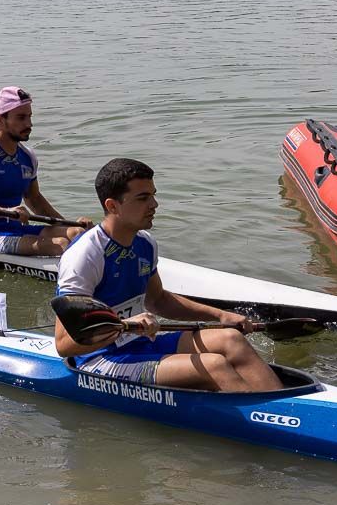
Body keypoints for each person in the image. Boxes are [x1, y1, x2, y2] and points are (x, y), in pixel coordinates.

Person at [53, 158, 282, 393]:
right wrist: (124, 326)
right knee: (214, 365)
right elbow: (64, 344)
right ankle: (270, 425)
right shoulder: (85, 255)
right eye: (143, 198)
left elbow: (159, 300)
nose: (155, 204)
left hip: (140, 342)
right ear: (112, 206)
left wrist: (221, 315)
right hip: (100, 360)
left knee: (231, 339)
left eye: (153, 195)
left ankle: (287, 411)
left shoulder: (145, 244)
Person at [0, 86, 91, 256]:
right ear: (0, 119)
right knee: (60, 244)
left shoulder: (28, 157)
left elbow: (34, 199)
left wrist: (68, 224)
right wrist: (5, 212)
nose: (29, 124)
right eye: (21, 117)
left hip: (15, 228)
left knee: (78, 234)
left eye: (30, 117)